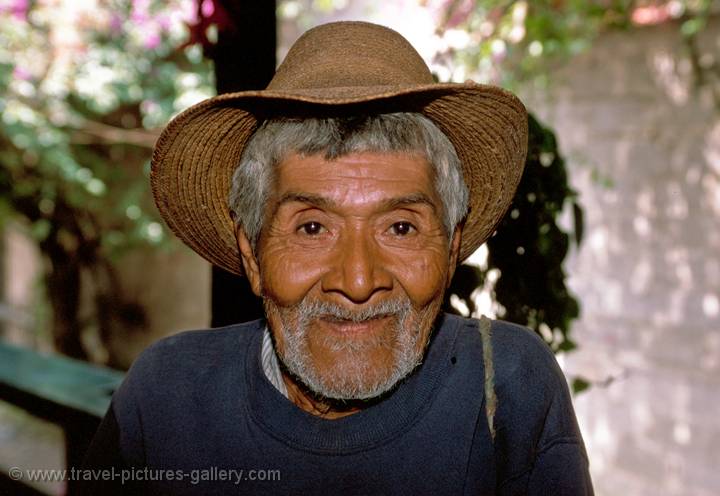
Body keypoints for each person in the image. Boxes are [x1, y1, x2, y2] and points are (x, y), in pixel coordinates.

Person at [82, 21, 593, 495]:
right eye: (311, 227)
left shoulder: (508, 385)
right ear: (252, 254)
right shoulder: (166, 397)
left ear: (452, 246)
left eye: (400, 227)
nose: (357, 280)